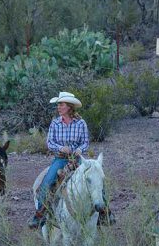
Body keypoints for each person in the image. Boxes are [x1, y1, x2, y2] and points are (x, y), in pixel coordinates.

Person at [29, 92, 114, 229]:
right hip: (60, 159)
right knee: (47, 182)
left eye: (61, 104)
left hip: (78, 159)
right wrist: (61, 148)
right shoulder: (55, 123)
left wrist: (80, 149)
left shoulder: (81, 123)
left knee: (97, 179)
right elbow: (50, 142)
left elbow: (85, 142)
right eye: (58, 105)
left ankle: (105, 213)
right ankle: (40, 215)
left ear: (69, 107)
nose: (59, 107)